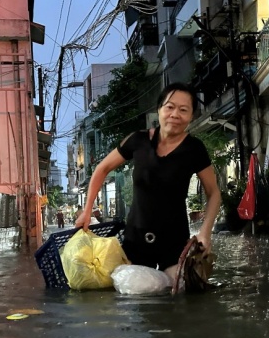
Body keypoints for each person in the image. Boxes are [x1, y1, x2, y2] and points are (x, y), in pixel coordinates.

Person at [75, 82, 221, 278]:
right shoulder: (138, 140)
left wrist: (205, 232)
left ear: (191, 116)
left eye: (183, 110)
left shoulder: (194, 149)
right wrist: (86, 211)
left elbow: (214, 193)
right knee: (135, 298)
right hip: (136, 240)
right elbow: (102, 169)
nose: (175, 115)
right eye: (169, 107)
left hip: (175, 242)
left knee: (179, 300)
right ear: (159, 109)